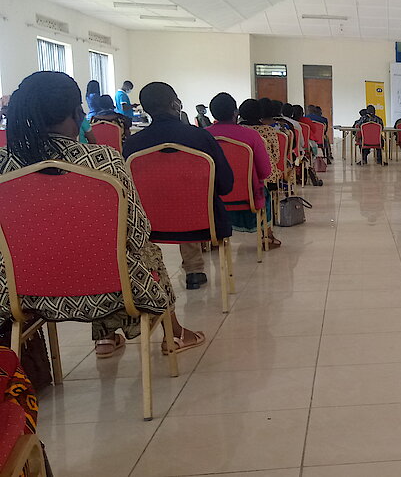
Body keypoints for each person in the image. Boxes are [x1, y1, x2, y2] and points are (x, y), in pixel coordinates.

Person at [0, 71, 205, 357]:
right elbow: (137, 232)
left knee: (80, 249)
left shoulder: (5, 164)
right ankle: (173, 334)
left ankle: (105, 338)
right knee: (138, 252)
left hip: (23, 293)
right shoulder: (103, 161)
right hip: (113, 290)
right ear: (77, 113)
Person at [123, 82, 234, 291]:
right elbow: (225, 185)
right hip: (202, 223)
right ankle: (194, 270)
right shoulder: (201, 137)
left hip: (149, 225)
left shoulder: (132, 145)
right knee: (190, 199)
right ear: (176, 104)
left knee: (172, 198)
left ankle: (152, 276)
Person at [205, 93, 274, 243]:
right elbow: (265, 172)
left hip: (212, 197)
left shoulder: (204, 135)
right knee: (265, 193)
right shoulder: (252, 136)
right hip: (248, 195)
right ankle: (267, 236)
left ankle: (210, 239)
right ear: (235, 112)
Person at [238, 98, 283, 248]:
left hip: (234, 179)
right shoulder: (268, 131)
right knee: (265, 193)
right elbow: (275, 158)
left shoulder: (235, 132)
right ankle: (267, 235)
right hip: (263, 178)